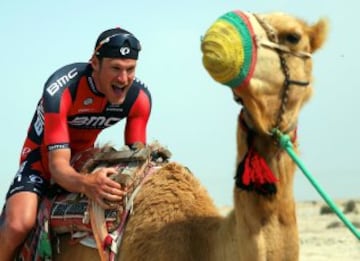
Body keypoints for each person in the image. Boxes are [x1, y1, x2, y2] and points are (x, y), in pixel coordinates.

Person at [0, 27, 152, 260]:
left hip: (84, 159)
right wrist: (86, 184)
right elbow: (57, 167)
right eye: (115, 68)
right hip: (42, 162)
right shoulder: (62, 89)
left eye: (130, 69)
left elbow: (137, 160)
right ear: (95, 63)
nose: (123, 79)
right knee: (19, 225)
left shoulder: (139, 99)